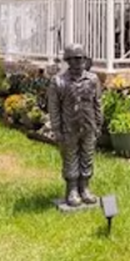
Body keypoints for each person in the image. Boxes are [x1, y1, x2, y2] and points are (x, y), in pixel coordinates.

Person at [46, 43, 103, 207]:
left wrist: (99, 123)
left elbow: (97, 103)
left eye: (81, 59)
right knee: (70, 158)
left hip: (89, 126)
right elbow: (54, 108)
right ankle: (72, 189)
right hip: (68, 128)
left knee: (87, 157)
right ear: (68, 61)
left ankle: (84, 188)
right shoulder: (58, 81)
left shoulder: (92, 79)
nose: (79, 63)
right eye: (75, 59)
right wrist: (56, 128)